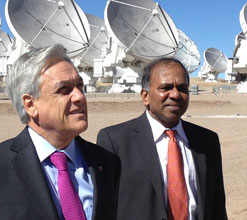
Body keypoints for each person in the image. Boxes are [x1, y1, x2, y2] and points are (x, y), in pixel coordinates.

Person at [0, 44, 120, 220]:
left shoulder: (106, 163)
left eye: (80, 86)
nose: (79, 97)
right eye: (64, 89)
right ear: (30, 105)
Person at [97, 58, 227, 220]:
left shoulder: (207, 141)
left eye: (182, 88)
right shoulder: (115, 141)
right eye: (165, 88)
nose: (175, 94)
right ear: (145, 96)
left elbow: (217, 205)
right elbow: (104, 207)